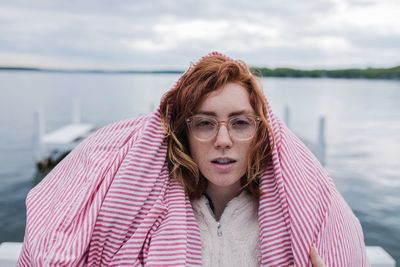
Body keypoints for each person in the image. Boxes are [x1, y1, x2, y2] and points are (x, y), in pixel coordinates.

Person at [17, 52, 369, 266]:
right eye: (204, 123)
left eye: (240, 123)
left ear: (260, 131)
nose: (223, 140)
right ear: (183, 132)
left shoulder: (289, 219)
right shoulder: (148, 216)